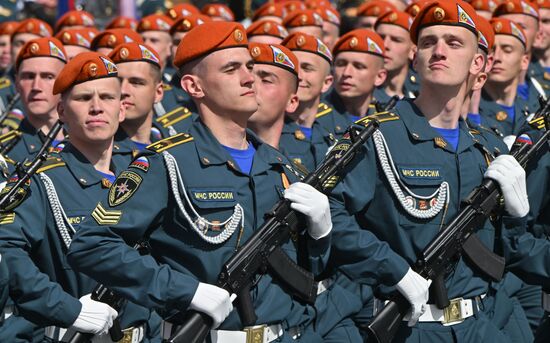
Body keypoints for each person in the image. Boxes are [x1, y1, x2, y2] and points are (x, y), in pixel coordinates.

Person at [67, 21, 333, 343]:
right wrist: (184, 290)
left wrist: (321, 233)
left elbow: (309, 271)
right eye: (231, 69)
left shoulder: (280, 166)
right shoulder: (167, 164)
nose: (249, 77)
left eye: (249, 66)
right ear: (194, 87)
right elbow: (92, 245)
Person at [328, 1, 533, 341]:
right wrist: (392, 269)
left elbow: (504, 250)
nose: (439, 51)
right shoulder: (377, 135)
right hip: (413, 327)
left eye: (453, 43)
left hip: (479, 325)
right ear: (415, 57)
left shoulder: (489, 146)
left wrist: (517, 215)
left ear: (478, 63)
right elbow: (330, 215)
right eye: (428, 42)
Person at [0, 51, 159, 343]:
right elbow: (7, 253)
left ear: (121, 109)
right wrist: (67, 308)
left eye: (107, 98)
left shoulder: (145, 178)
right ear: (61, 111)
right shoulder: (38, 181)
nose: (97, 108)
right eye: (84, 98)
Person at [0, 37, 66, 163]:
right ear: (17, 83)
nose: (36, 87)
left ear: (64, 83)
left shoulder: (86, 141)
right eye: (29, 77)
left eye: (48, 77)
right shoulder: (5, 151)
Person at [278, 32, 335, 171]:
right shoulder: (267, 131)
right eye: (293, 67)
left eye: (307, 68)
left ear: (326, 83)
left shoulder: (331, 136)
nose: (299, 76)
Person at [320, 29, 387, 138]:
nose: (346, 73)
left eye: (358, 66)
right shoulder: (317, 120)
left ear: (379, 77)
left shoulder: (385, 120)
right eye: (341, 64)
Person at [373, 10, 417, 102]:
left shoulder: (418, 94)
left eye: (396, 40)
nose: (385, 45)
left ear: (412, 51)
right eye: (381, 38)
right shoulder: (362, 96)